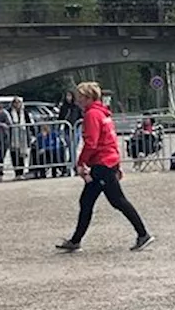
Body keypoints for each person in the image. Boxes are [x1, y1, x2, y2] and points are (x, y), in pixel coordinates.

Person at [56, 82, 154, 253]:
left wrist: (80, 162)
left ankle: (143, 234)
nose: (77, 101)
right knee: (88, 201)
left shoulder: (91, 115)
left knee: (117, 201)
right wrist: (117, 164)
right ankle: (75, 240)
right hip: (107, 161)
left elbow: (91, 143)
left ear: (87, 98)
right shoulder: (103, 114)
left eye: (80, 97)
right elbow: (111, 140)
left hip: (102, 163)